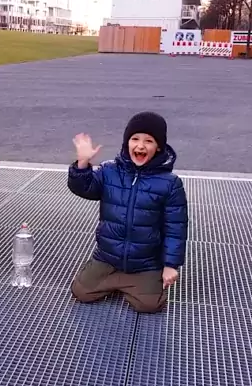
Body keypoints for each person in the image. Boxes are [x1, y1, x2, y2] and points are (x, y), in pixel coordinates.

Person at [68, 112, 188, 313]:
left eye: (149, 141)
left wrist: (170, 265)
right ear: (126, 143)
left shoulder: (170, 183)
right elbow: (84, 188)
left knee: (149, 305)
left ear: (159, 147)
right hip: (108, 256)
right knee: (81, 292)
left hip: (145, 262)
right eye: (135, 139)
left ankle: (128, 281)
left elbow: (176, 228)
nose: (140, 146)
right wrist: (82, 164)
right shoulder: (109, 171)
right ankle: (118, 279)